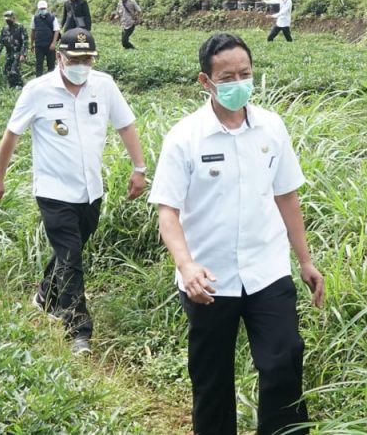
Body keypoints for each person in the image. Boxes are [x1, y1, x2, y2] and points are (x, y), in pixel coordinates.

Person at [148, 32, 325, 435]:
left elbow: (287, 197)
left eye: (245, 73)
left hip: (268, 269)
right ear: (205, 82)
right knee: (212, 379)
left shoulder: (271, 128)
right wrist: (186, 264)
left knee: (284, 360)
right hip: (208, 280)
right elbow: (168, 212)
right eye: (227, 77)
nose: (238, 83)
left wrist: (305, 260)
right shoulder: (185, 138)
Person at [0, 28, 147, 355]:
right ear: (59, 57)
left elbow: (125, 125)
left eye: (87, 58)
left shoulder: (104, 86)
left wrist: (139, 168)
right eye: (74, 59)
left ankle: (45, 294)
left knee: (68, 252)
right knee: (72, 257)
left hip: (91, 191)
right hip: (53, 191)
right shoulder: (37, 90)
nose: (81, 64)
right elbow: (11, 136)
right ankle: (78, 330)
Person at [0, 10, 28, 88]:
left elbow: (25, 42)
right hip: (9, 53)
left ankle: (20, 86)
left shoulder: (20, 27)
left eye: (9, 19)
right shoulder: (4, 29)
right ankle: (12, 87)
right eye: (6, 19)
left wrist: (23, 54)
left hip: (18, 53)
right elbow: (0, 43)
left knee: (14, 70)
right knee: (6, 71)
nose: (8, 20)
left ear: (14, 18)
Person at [31, 0, 60, 77]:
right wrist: (32, 44)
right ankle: (38, 81)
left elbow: (56, 31)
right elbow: (33, 31)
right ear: (38, 9)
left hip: (50, 45)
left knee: (51, 65)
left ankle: (52, 81)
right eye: (41, 9)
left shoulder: (53, 18)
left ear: (47, 8)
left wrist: (53, 43)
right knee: (39, 64)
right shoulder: (34, 18)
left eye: (43, 8)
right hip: (39, 45)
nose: (42, 10)